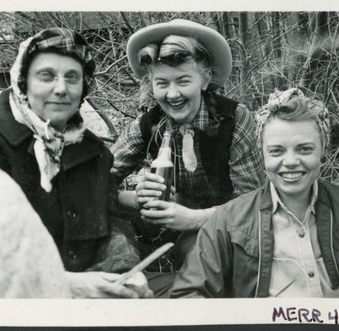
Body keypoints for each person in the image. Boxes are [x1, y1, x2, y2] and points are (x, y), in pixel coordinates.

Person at [0, 27, 151, 298]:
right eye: (46, 76)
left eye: (72, 77)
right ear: (22, 82)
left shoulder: (94, 153)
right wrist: (68, 285)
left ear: (84, 87)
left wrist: (122, 272)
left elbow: (110, 221)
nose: (61, 88)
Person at [111, 19, 264, 289]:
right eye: (162, 83)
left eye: (183, 81)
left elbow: (253, 205)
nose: (172, 95)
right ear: (150, 84)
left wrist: (192, 218)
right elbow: (94, 179)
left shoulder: (234, 120)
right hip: (164, 226)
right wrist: (135, 197)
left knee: (196, 251)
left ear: (205, 79)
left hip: (221, 227)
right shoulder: (148, 124)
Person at [170, 88, 339, 298]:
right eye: (276, 151)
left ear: (323, 150)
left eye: (304, 149)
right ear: (261, 153)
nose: (291, 162)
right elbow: (187, 295)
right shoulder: (227, 221)